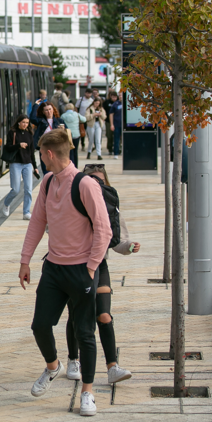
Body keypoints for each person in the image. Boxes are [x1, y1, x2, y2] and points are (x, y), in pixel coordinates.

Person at [18, 128, 113, 417]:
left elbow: (104, 229)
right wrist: (25, 261)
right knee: (39, 325)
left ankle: (88, 392)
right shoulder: (47, 181)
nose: (42, 160)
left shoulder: (85, 185)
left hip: (81, 270)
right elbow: (37, 222)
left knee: (85, 332)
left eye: (42, 155)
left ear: (49, 154)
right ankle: (52, 366)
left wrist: (92, 267)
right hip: (54, 269)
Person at [64, 164, 137, 385]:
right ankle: (73, 359)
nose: (96, 184)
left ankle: (112, 367)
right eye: (91, 180)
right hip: (73, 265)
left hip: (99, 265)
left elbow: (118, 240)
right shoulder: (72, 204)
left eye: (100, 180)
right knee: (76, 316)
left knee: (104, 315)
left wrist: (130, 246)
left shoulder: (111, 207)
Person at [2, 114, 39, 220]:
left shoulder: (29, 133)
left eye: (27, 123)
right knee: (15, 189)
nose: (25, 125)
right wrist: (19, 145)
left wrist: (35, 166)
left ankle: (26, 212)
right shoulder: (12, 133)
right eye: (23, 122)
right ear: (19, 122)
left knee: (28, 190)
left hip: (27, 164)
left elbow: (32, 152)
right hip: (16, 163)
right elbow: (8, 147)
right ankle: (6, 204)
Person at [29, 100, 66, 176]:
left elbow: (67, 134)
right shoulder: (40, 121)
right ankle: (48, 184)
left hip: (56, 149)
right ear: (43, 112)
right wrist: (35, 105)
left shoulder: (59, 121)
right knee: (46, 170)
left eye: (50, 109)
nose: (49, 112)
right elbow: (32, 118)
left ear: (53, 109)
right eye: (46, 110)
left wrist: (63, 130)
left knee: (57, 169)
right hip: (44, 149)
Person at [109, 92, 123, 159]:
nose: (120, 96)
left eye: (121, 95)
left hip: (125, 125)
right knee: (116, 140)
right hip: (117, 124)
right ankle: (116, 153)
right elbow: (111, 114)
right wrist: (112, 124)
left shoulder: (128, 104)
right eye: (119, 95)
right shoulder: (115, 104)